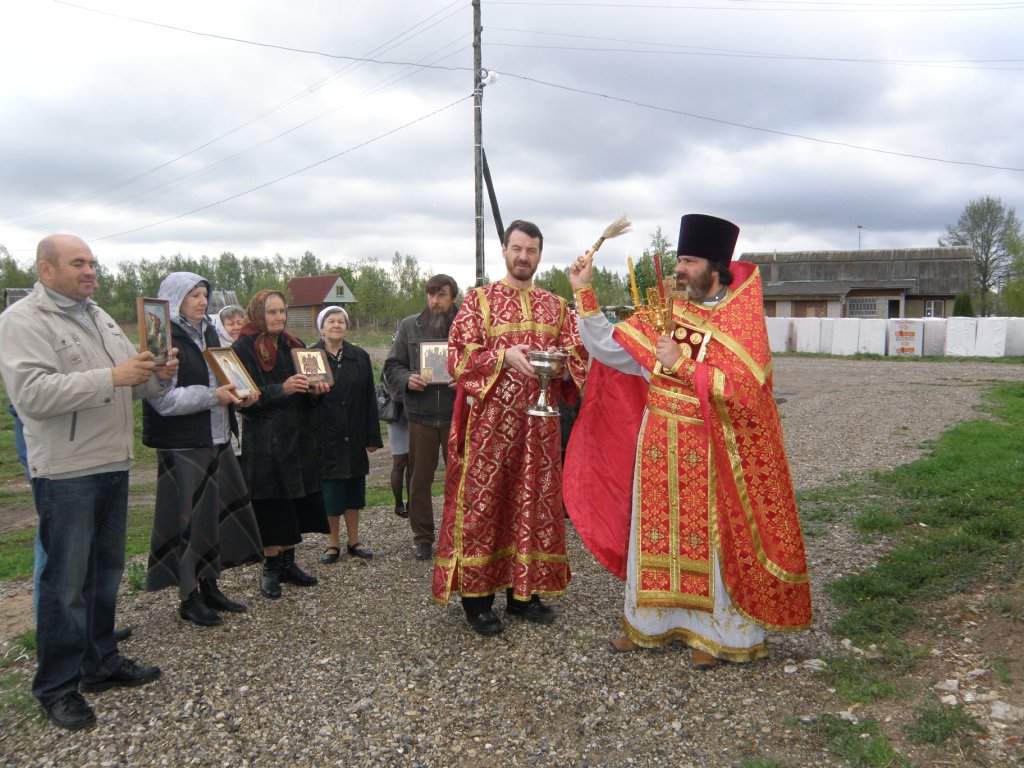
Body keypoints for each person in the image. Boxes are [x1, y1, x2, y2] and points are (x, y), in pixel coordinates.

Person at [564, 213, 812, 669]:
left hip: (712, 448)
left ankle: (716, 636)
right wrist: (584, 290)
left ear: (715, 267)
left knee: (712, 543)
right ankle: (649, 625)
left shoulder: (741, 319)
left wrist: (682, 364)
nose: (680, 270)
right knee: (653, 533)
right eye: (678, 259)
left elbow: (748, 392)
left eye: (689, 261)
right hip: (658, 440)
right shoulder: (668, 308)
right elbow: (612, 348)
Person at [0, 234, 175, 730]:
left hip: (111, 462)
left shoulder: (97, 316)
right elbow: (32, 395)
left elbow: (132, 383)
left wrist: (158, 375)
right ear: (45, 269)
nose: (90, 271)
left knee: (105, 573)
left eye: (93, 263)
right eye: (78, 263)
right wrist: (114, 378)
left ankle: (99, 664)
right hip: (67, 470)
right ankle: (56, 687)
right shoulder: (21, 322)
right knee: (66, 583)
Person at [431, 222, 588, 636]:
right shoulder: (479, 301)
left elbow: (579, 358)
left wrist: (562, 360)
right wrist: (503, 356)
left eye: (531, 250)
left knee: (533, 506)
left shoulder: (556, 306)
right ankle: (478, 601)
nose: (523, 256)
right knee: (485, 507)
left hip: (540, 430)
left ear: (539, 255)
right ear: (504, 251)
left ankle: (524, 594)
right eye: (516, 248)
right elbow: (459, 358)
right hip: (490, 430)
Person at [142, 273, 263, 626]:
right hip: (183, 444)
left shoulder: (209, 332)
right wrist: (215, 396)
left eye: (204, 294)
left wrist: (242, 393)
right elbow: (161, 400)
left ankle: (210, 585)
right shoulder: (162, 337)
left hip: (216, 438)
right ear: (174, 297)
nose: (201, 301)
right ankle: (187, 596)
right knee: (187, 523)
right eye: (193, 294)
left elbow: (225, 379)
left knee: (212, 518)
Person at [233, 290, 329, 598]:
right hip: (265, 441)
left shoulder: (294, 345)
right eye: (272, 312)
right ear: (258, 313)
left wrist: (317, 392)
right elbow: (243, 399)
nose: (279, 317)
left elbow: (309, 392)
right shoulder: (244, 347)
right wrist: (281, 389)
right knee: (270, 505)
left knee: (293, 503)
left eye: (282, 311)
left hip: (297, 438)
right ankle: (270, 567)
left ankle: (289, 562)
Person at [383, 274, 459, 561]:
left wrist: (464, 379)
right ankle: (423, 537)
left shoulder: (467, 325)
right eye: (431, 294)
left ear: (453, 297)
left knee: (460, 479)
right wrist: (407, 378)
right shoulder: (409, 325)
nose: (434, 300)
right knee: (419, 480)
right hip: (421, 415)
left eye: (441, 294)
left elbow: (480, 361)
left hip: (457, 415)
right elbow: (392, 365)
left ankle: (460, 534)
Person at [311, 307, 383, 562]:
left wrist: (372, 436)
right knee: (331, 490)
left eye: (341, 321)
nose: (336, 325)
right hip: (325, 433)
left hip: (353, 433)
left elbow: (369, 399)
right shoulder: (310, 356)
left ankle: (354, 540)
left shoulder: (359, 356)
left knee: (354, 489)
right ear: (321, 327)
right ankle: (333, 543)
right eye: (330, 321)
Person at [383, 367, 411, 520]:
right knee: (399, 462)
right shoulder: (391, 365)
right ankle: (398, 502)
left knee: (413, 462)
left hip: (415, 417)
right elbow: (394, 391)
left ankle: (412, 502)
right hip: (398, 417)